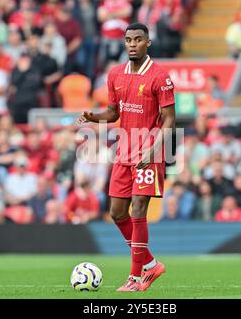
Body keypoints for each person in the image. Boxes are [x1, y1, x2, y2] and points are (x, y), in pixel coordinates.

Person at [77, 23, 175, 292]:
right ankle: (151, 263)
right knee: (117, 212)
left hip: (149, 153)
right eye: (128, 40)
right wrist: (92, 117)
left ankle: (134, 277)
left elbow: (169, 120)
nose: (132, 44)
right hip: (124, 152)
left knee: (138, 209)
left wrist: (153, 149)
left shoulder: (160, 77)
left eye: (138, 40)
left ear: (148, 43)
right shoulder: (115, 74)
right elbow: (113, 113)